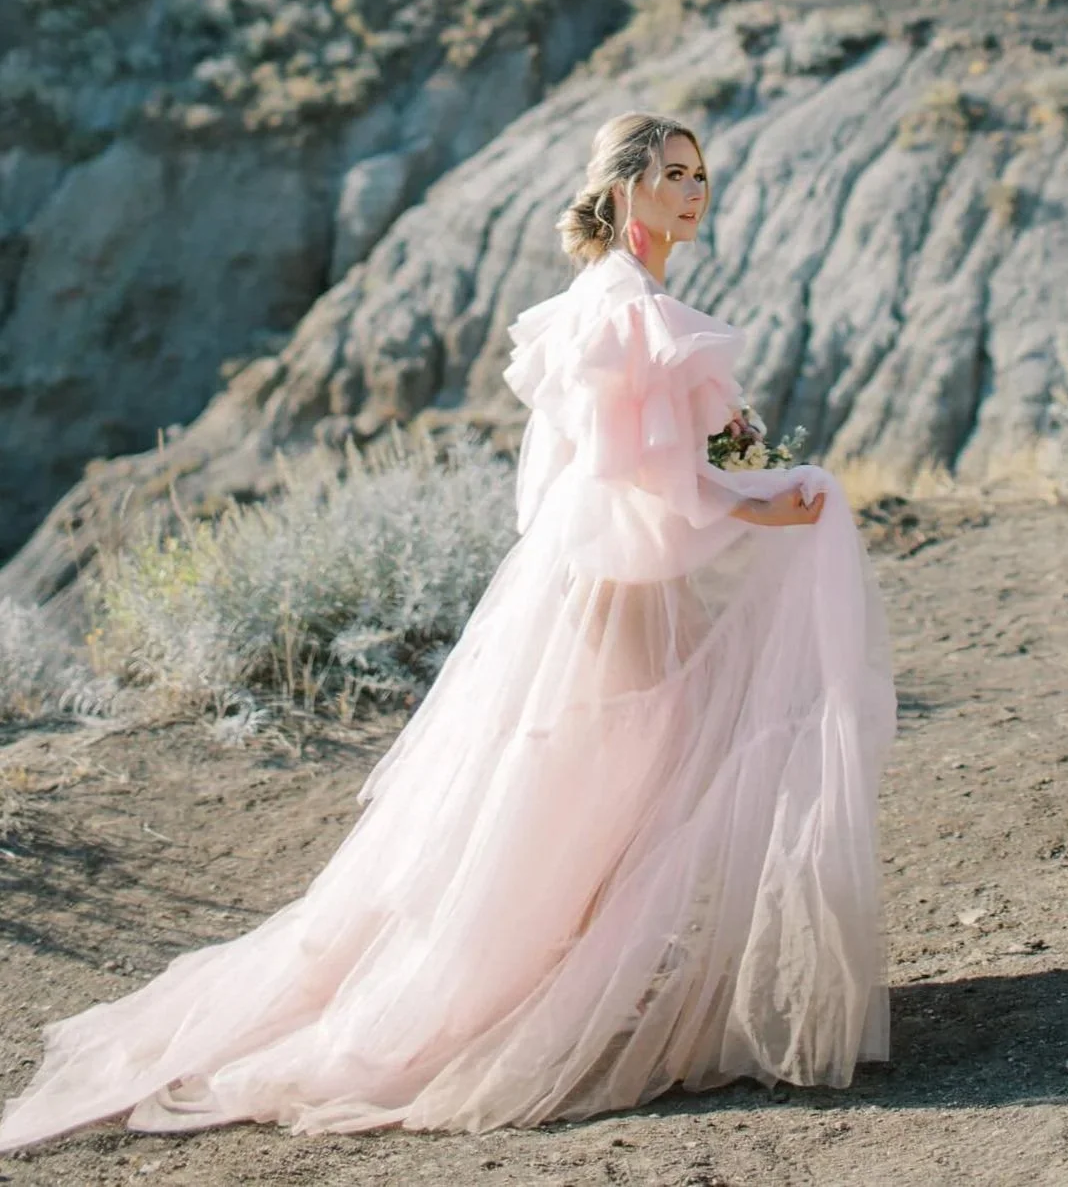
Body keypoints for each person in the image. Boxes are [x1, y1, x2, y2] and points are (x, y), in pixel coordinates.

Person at [0, 110, 895, 1150]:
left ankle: (564, 973)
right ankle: (519, 990)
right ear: (623, 190)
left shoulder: (604, 303)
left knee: (608, 773)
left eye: (701, 174)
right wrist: (757, 502)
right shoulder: (629, 309)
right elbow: (632, 474)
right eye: (675, 174)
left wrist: (739, 488)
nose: (696, 192)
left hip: (594, 578)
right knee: (611, 774)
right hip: (606, 587)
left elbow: (572, 480)